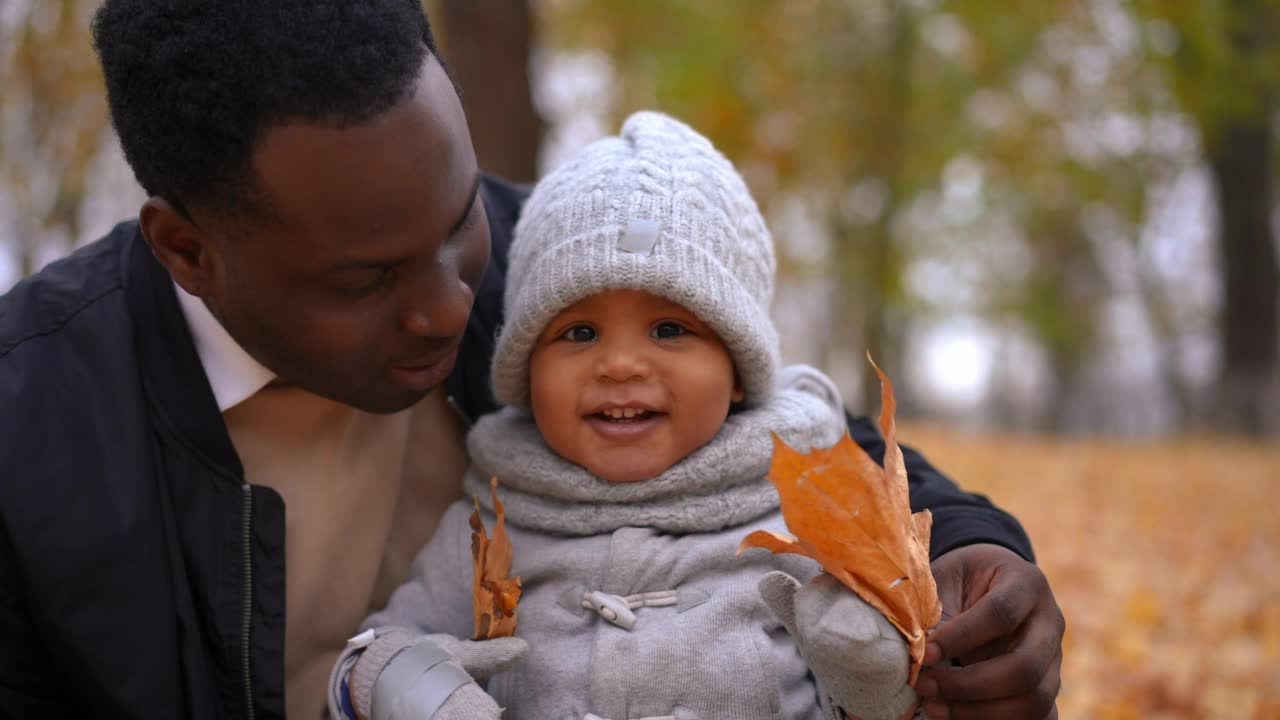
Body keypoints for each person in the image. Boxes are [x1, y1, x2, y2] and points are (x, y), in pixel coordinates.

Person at [0, 2, 1062, 719]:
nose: (450, 306)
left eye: (458, 219)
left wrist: (978, 560)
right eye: (365, 282)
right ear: (187, 249)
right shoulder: (32, 422)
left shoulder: (557, 270)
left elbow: (804, 449)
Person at [330, 110, 960, 720]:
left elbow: (915, 687)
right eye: (578, 333)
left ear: (739, 371)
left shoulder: (809, 514)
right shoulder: (495, 521)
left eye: (668, 328)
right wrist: (415, 688)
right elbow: (379, 650)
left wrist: (872, 680)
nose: (620, 365)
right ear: (525, 370)